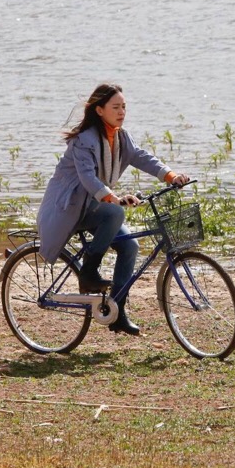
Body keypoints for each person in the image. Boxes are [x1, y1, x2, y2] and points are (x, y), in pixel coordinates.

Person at [35, 83, 190, 336]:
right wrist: (114, 199)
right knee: (116, 213)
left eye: (124, 107)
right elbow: (87, 178)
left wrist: (170, 176)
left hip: (95, 206)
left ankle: (118, 310)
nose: (121, 112)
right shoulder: (83, 141)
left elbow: (141, 157)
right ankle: (88, 271)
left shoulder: (120, 137)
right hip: (69, 208)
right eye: (115, 107)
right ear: (99, 110)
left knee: (130, 245)